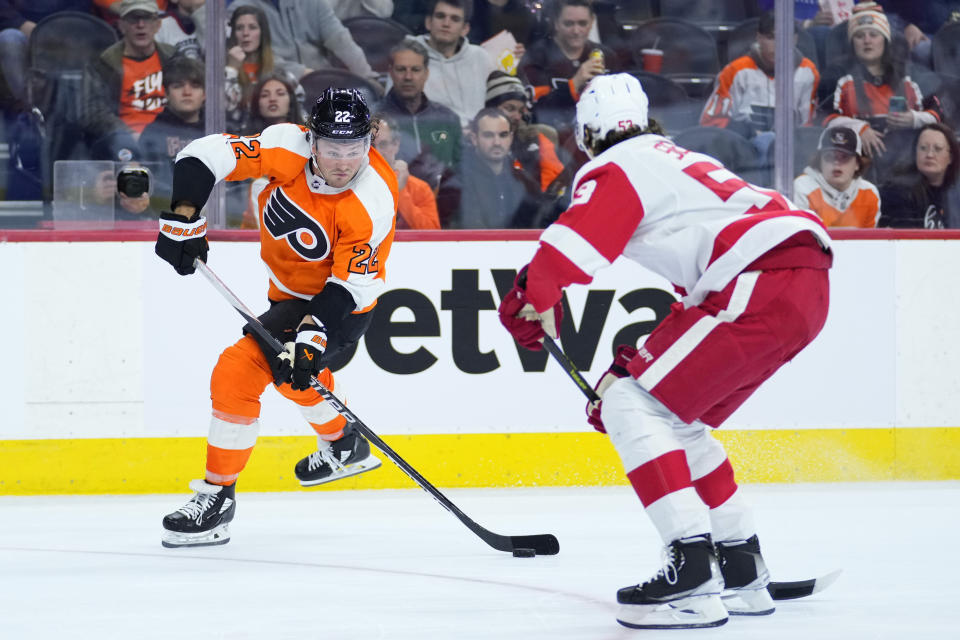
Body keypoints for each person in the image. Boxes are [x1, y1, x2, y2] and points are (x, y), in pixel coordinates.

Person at [498, 73, 833, 629]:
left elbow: (573, 242)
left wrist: (528, 292)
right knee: (673, 414)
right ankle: (741, 567)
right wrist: (631, 363)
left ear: (586, 133)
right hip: (798, 284)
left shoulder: (617, 164)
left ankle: (692, 573)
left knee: (631, 405)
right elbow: (700, 288)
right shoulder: (673, 159)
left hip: (759, 280)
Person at [154, 87, 398, 548]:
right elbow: (202, 154)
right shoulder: (286, 146)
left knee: (239, 371)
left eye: (355, 148)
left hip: (342, 307)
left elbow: (352, 285)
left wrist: (312, 335)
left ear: (372, 139)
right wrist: (185, 217)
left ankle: (217, 497)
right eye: (332, 148)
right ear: (311, 140)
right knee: (295, 378)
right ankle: (345, 441)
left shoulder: (373, 199)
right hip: (287, 297)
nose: (344, 161)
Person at [823, 3, 941, 160]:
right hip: (854, 158)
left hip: (906, 160)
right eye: (859, 36)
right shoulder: (836, 75)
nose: (867, 41)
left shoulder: (910, 75)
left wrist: (914, 119)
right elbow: (824, 118)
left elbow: (937, 114)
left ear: (885, 40)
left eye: (873, 34)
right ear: (852, 43)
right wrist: (858, 128)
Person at [83, 0, 178, 159]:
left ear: (157, 25)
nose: (140, 25)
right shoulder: (103, 64)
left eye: (147, 18)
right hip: (123, 142)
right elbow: (92, 111)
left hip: (170, 138)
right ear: (121, 25)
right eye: (133, 19)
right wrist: (125, 133)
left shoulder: (173, 57)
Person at [700, 12, 820, 136]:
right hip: (745, 144)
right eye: (770, 37)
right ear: (758, 38)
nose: (777, 45)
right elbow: (711, 122)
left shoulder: (808, 72)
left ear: (795, 40)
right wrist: (748, 132)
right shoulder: (735, 70)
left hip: (790, 148)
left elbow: (808, 125)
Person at [520, 0, 617, 151]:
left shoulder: (607, 57)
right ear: (556, 24)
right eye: (569, 24)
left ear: (591, 22)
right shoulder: (536, 57)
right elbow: (535, 111)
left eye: (582, 23)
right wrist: (574, 83)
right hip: (550, 145)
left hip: (601, 141)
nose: (576, 30)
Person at [228, 0, 380, 86]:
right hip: (278, 84)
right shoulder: (242, 9)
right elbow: (262, 57)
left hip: (325, 80)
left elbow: (341, 40)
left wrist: (366, 76)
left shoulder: (312, 2)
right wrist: (305, 74)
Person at [376, 39, 462, 190]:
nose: (408, 77)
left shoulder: (447, 119)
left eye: (415, 70)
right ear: (391, 72)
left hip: (441, 204)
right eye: (401, 69)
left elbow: (460, 172)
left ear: (426, 73)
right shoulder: (372, 118)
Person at [437, 107, 543, 228]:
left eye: (503, 135)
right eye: (488, 135)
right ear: (474, 139)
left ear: (511, 138)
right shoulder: (456, 179)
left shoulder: (522, 179)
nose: (497, 142)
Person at [410, 0, 497, 127]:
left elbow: (502, 99)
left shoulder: (481, 57)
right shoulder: (409, 55)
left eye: (455, 19)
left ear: (465, 29)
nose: (446, 23)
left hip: (480, 138)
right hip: (432, 136)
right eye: (440, 16)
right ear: (428, 22)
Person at [139, 56, 206, 204]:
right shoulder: (152, 135)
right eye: (178, 86)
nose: (187, 92)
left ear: (205, 94)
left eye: (195, 86)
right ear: (166, 94)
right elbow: (149, 187)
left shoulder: (218, 131)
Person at [485, 70, 564, 193]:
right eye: (510, 108)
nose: (517, 116)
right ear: (490, 108)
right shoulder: (475, 142)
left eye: (521, 111)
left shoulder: (539, 137)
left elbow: (554, 186)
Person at [224, 6, 300, 132]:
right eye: (239, 28)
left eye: (252, 27)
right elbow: (225, 110)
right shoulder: (222, 72)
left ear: (262, 33)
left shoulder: (279, 72)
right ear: (233, 34)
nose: (246, 34)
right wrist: (231, 69)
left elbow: (298, 110)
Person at [794, 125, 881, 228]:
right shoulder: (803, 187)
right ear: (820, 161)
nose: (836, 163)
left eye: (844, 157)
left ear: (857, 163)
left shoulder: (869, 193)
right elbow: (802, 236)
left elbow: (870, 241)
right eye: (829, 156)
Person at [879, 122, 960, 228]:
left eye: (937, 149)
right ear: (915, 153)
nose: (930, 155)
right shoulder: (898, 190)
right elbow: (907, 240)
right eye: (923, 148)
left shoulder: (954, 193)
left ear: (950, 157)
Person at [373, 113, 441, 229]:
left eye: (383, 144)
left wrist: (400, 191)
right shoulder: (352, 186)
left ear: (396, 144)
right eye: (371, 146)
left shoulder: (420, 189)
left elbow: (432, 236)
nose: (377, 153)